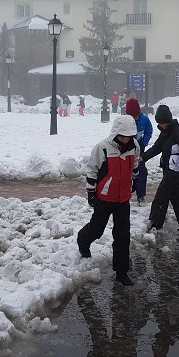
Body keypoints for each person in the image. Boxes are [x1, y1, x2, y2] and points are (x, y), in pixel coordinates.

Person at [77, 115, 140, 286]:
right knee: (96, 230)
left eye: (129, 136)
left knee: (122, 236)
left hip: (123, 199)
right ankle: (83, 239)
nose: (126, 139)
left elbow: (134, 167)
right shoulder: (102, 148)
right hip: (104, 198)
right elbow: (91, 171)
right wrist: (91, 193)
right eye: (122, 136)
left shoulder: (134, 147)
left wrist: (133, 182)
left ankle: (121, 272)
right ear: (115, 134)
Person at [142, 104, 179, 232]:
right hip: (168, 168)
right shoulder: (165, 133)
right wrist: (143, 157)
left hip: (175, 170)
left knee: (162, 194)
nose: (159, 125)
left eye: (161, 123)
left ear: (166, 121)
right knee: (176, 195)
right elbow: (157, 148)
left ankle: (155, 223)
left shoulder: (178, 132)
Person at [124, 98, 152, 205]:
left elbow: (149, 131)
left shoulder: (145, 120)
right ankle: (125, 193)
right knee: (125, 172)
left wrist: (144, 142)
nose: (134, 118)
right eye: (131, 116)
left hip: (139, 148)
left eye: (136, 116)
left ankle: (141, 195)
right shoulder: (123, 121)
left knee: (142, 171)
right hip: (125, 149)